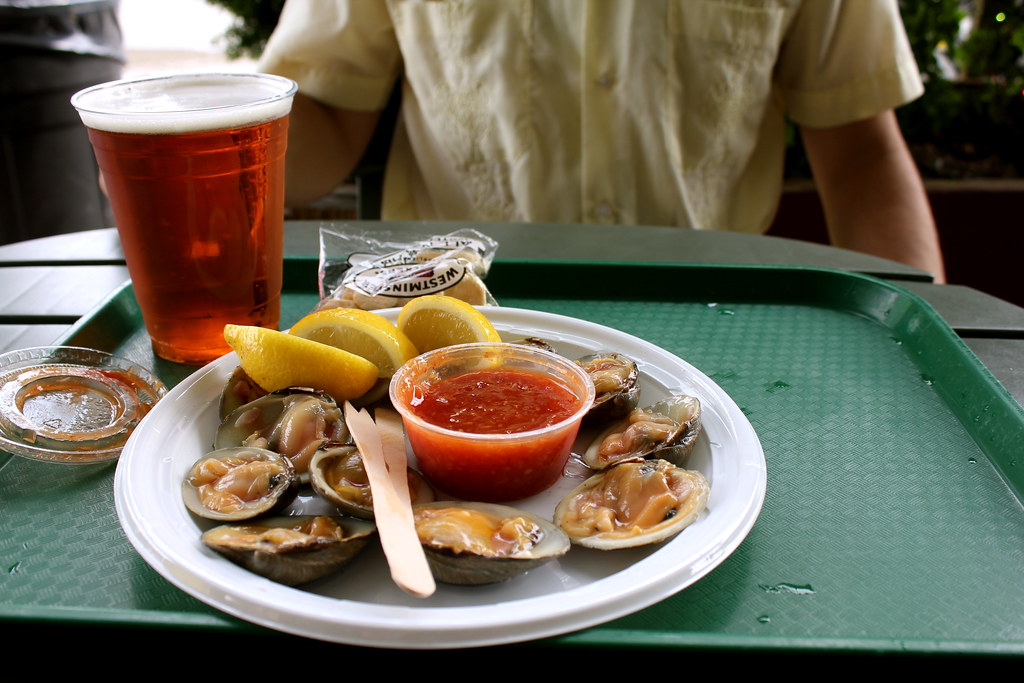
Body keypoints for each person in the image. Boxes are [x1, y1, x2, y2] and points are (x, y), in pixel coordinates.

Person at [257, 0, 946, 281]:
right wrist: (209, 140)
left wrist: (927, 347)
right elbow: (329, 121)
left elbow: (860, 153)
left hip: (714, 330)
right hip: (457, 319)